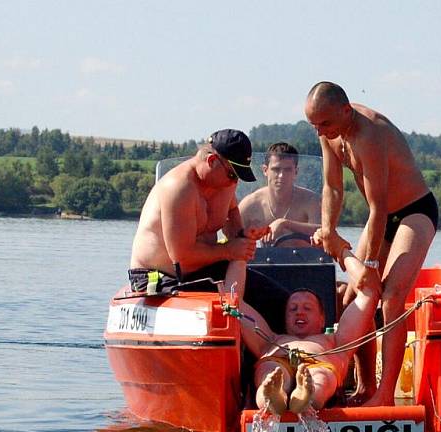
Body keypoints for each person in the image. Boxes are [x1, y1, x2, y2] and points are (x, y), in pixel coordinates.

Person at [304, 81, 439, 407]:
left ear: (345, 111)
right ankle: (364, 386)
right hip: (381, 217)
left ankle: (386, 395)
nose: (320, 131)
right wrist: (327, 231)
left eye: (324, 124)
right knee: (352, 297)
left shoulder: (370, 134)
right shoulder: (329, 133)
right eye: (313, 125)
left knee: (390, 298)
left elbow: (378, 207)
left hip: (413, 212)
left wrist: (373, 266)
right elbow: (333, 188)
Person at [236, 237, 377, 415]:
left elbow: (368, 291)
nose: (299, 312)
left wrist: (339, 249)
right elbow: (235, 300)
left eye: (307, 308)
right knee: (270, 374)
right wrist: (240, 252)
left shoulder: (336, 341)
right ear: (284, 319)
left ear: (322, 319)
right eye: (293, 309)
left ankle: (307, 398)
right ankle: (272, 397)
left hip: (320, 364)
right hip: (277, 361)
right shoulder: (270, 339)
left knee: (320, 378)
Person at [128, 129, 268, 296]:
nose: (234, 181)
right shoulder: (179, 188)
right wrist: (230, 250)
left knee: (280, 300)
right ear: (212, 160)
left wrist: (242, 234)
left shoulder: (225, 182)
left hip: (204, 270)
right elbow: (182, 259)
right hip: (160, 277)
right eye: (232, 174)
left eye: (238, 176)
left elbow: (231, 212)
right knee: (222, 308)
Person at [238, 142, 321, 247]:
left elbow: (325, 232)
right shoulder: (251, 204)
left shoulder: (311, 201)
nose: (281, 175)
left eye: (287, 170)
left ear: (296, 172)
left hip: (306, 261)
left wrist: (284, 224)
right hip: (263, 262)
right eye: (276, 170)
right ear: (265, 170)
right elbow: (231, 235)